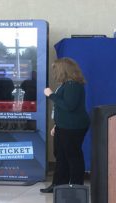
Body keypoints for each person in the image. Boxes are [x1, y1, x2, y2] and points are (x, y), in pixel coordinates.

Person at [40, 58, 90, 193]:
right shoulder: (66, 84)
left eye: (55, 69)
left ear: (63, 70)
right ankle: (57, 185)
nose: (54, 72)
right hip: (64, 126)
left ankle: (76, 186)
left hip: (73, 127)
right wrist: (57, 125)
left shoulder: (73, 85)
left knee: (73, 156)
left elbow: (69, 106)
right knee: (61, 156)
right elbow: (62, 109)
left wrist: (51, 95)